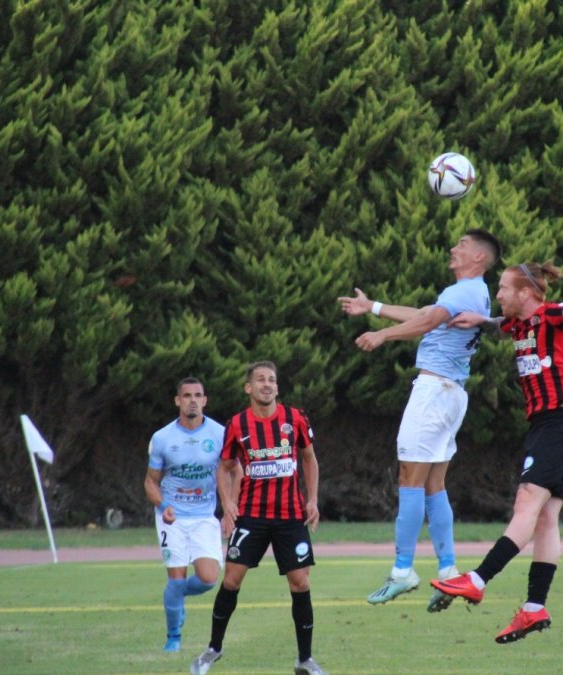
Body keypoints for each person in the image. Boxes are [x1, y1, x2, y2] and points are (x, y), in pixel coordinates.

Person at [428, 244, 563, 643]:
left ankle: (477, 579)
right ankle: (533, 608)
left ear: (526, 292)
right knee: (545, 517)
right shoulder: (516, 326)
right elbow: (497, 323)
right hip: (547, 426)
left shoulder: (550, 316)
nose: (500, 294)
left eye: (504, 288)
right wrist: (480, 318)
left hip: (560, 423)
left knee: (527, 502)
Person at [337, 228, 502, 611]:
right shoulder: (470, 293)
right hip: (451, 394)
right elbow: (428, 316)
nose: (452, 248)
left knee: (409, 480)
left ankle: (401, 571)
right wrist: (374, 308)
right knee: (433, 486)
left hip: (433, 393)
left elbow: (426, 323)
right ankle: (448, 573)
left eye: (461, 245)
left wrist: (383, 336)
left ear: (479, 257)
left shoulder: (463, 290)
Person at [189, 361, 327, 675]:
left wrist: (313, 499)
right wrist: (227, 504)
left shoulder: (295, 419)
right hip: (252, 517)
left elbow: (309, 459)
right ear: (249, 388)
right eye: (260, 380)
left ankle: (304, 660)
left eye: (272, 380)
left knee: (300, 582)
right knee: (232, 580)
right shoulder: (237, 425)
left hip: (291, 517)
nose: (267, 384)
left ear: (277, 387)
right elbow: (223, 468)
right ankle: (213, 649)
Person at [144, 377, 225, 653]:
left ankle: (176, 597)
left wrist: (231, 508)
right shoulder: (163, 438)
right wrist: (162, 504)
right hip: (172, 517)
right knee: (176, 578)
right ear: (178, 400)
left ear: (205, 400)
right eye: (187, 395)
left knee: (208, 579)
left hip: (204, 516)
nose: (192, 400)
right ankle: (173, 637)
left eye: (198, 395)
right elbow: (150, 481)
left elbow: (233, 471)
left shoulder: (219, 434)